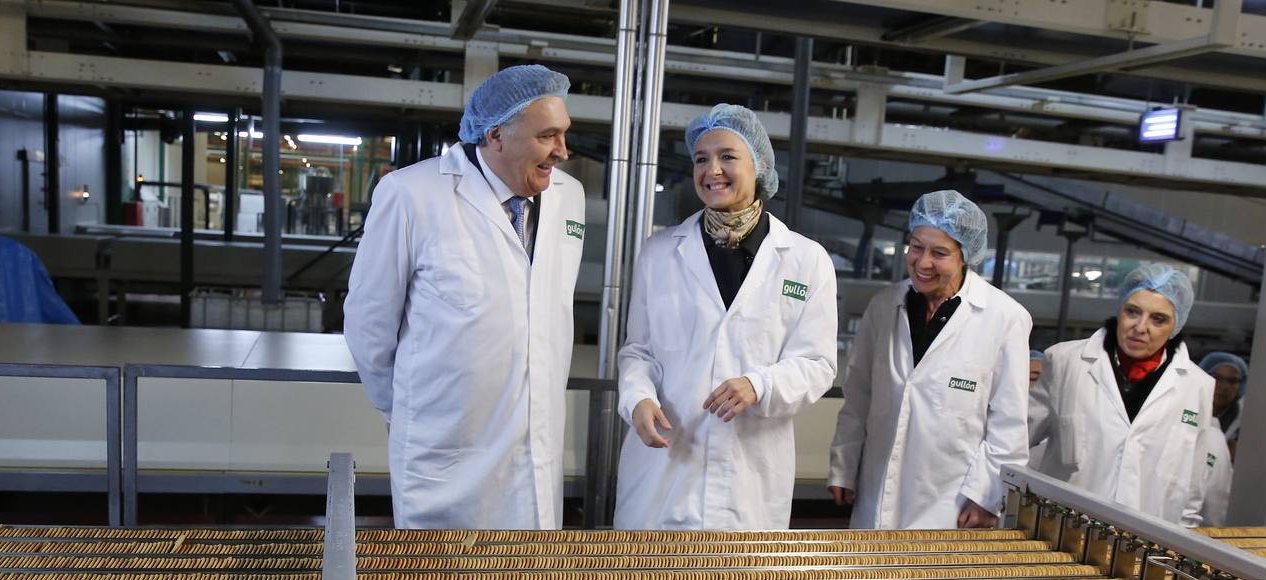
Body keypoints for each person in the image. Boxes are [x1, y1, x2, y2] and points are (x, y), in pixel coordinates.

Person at [344, 65, 585, 529]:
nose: (562, 151)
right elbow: (368, 322)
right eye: (547, 136)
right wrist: (408, 410)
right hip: (445, 454)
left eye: (563, 134)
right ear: (496, 136)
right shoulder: (412, 194)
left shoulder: (568, 198)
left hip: (536, 446)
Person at [614, 105, 837, 529]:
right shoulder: (659, 252)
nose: (712, 169)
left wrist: (760, 384)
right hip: (666, 465)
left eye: (727, 156)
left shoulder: (807, 260)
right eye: (701, 158)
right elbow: (638, 351)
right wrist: (636, 398)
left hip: (748, 475)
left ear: (761, 165)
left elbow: (819, 365)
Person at [827, 190, 1032, 530]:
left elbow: (1008, 423)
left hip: (952, 503)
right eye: (916, 246)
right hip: (877, 492)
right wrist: (844, 466)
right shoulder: (884, 305)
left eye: (939, 253)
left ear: (965, 255)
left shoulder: (1004, 318)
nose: (922, 263)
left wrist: (987, 495)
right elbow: (858, 396)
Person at [1030, 263, 1214, 526]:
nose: (1140, 327)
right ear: (1119, 311)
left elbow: (1192, 487)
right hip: (1063, 529)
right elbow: (1015, 438)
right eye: (1132, 312)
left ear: (1176, 325)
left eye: (1158, 319)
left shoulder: (1197, 386)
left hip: (1147, 542)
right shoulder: (1066, 362)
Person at [1199, 351, 1246, 458]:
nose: (1225, 386)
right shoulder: (1186, 408)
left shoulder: (1243, 423)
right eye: (1217, 378)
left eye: (1232, 381)